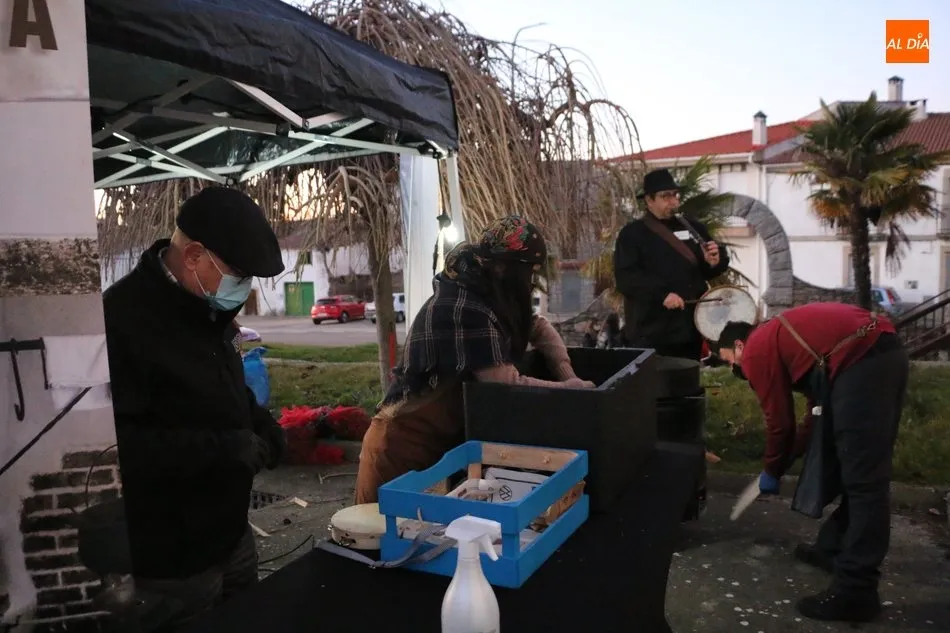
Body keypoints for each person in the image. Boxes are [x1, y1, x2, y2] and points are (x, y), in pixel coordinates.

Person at [103, 187, 288, 630]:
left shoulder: (206, 308)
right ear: (193, 256)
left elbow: (227, 393)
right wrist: (224, 450)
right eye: (238, 274)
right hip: (173, 557)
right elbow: (121, 446)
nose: (242, 290)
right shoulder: (122, 321)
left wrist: (262, 424)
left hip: (230, 532)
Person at [355, 216, 595, 504]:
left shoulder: (492, 293)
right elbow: (503, 382)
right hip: (400, 439)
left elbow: (539, 328)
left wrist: (566, 374)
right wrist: (570, 391)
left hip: (443, 437)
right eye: (528, 272)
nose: (530, 282)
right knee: (373, 530)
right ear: (505, 267)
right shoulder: (462, 305)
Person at [715, 302, 908, 623]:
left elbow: (779, 422)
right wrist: (785, 459)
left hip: (863, 362)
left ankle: (856, 591)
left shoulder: (756, 349)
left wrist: (772, 469)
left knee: (864, 483)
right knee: (847, 463)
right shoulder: (785, 341)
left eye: (732, 363)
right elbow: (812, 420)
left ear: (738, 345)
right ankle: (832, 547)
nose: (738, 370)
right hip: (875, 355)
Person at [613, 168, 730, 360]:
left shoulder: (694, 228)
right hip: (651, 330)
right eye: (665, 196)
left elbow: (707, 270)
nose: (673, 201)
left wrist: (714, 262)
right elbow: (627, 278)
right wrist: (662, 294)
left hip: (689, 328)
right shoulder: (632, 234)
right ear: (649, 200)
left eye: (675, 195)